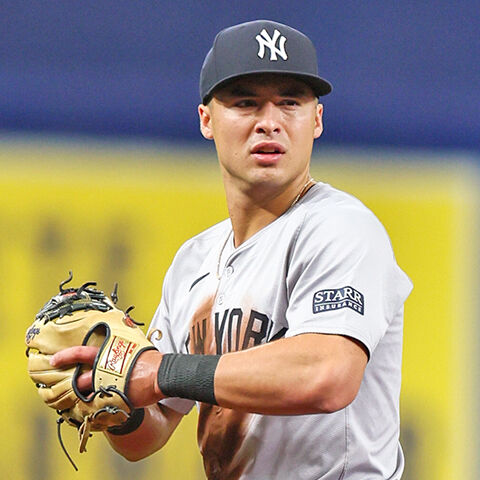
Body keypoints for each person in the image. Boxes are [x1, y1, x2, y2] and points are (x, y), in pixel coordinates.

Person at [51, 20, 413, 479]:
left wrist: (157, 372)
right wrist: (109, 395)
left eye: (290, 102)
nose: (270, 122)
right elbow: (148, 435)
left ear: (317, 120)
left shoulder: (339, 227)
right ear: (206, 120)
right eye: (245, 103)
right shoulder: (194, 261)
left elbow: (328, 376)